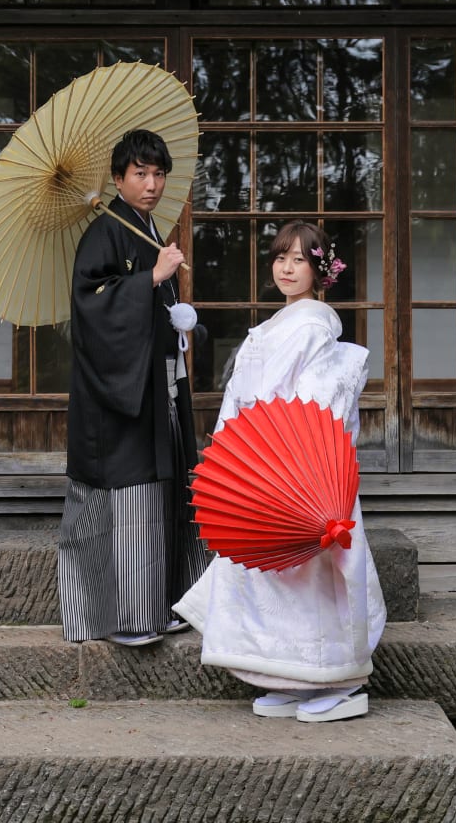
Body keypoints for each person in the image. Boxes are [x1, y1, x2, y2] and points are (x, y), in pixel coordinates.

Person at [174, 220, 387, 722]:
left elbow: (304, 401)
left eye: (300, 260)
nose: (288, 268)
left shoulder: (313, 324)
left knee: (311, 579)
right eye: (280, 257)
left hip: (297, 464)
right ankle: (290, 678)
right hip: (265, 458)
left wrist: (266, 445)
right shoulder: (277, 324)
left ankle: (339, 683)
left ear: (320, 270)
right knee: (273, 578)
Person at [58, 128, 208, 647]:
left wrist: (184, 326)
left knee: (163, 493)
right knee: (128, 500)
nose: (151, 184)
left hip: (155, 388)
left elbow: (161, 317)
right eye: (140, 173)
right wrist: (148, 280)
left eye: (158, 173)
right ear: (117, 179)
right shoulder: (105, 231)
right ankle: (120, 617)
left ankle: (163, 604)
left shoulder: (148, 230)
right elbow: (90, 306)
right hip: (117, 400)